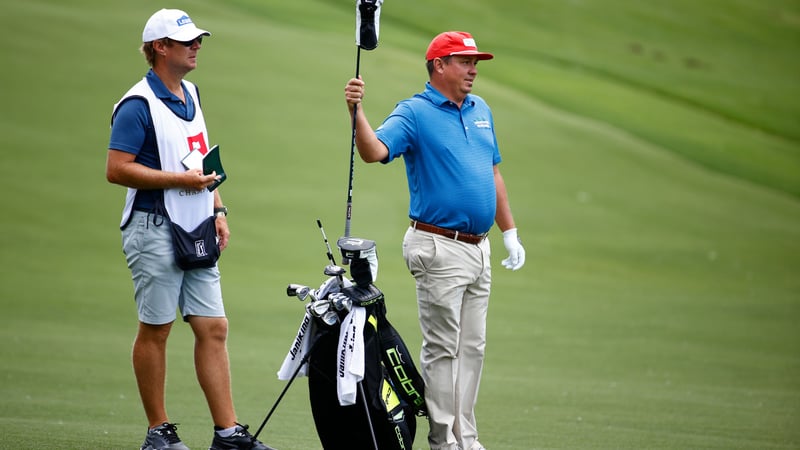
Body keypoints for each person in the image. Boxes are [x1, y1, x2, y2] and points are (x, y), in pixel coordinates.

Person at [343, 31, 526, 450]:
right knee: (444, 349)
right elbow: (374, 152)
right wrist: (356, 113)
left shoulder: (481, 110)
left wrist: (509, 232)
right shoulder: (415, 112)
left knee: (472, 348)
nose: (474, 70)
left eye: (475, 62)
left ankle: (467, 437)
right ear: (439, 65)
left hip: (479, 248)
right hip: (438, 246)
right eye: (465, 61)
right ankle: (445, 442)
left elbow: (492, 173)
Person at [105, 9, 275, 450]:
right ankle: (158, 432)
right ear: (160, 47)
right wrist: (183, 182)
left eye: (198, 39)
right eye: (186, 41)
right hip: (153, 226)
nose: (196, 45)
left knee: (214, 326)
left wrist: (219, 208)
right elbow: (117, 169)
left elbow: (201, 158)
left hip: (196, 223)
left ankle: (227, 433)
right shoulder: (136, 105)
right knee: (157, 328)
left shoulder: (192, 94)